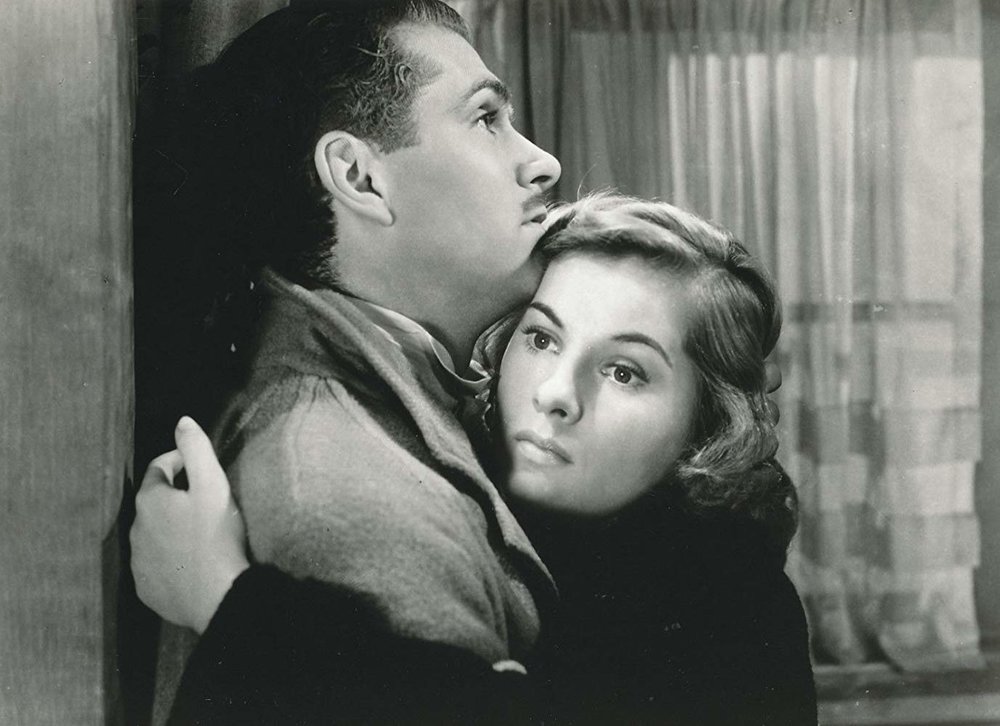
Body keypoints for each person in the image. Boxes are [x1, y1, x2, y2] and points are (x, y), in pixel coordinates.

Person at [133, 194, 815, 724]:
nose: (556, 395)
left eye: (624, 372)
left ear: (707, 424)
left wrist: (224, 599)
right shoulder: (452, 479)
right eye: (542, 339)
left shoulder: (736, 606)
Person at [131, 1, 562, 721]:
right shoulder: (341, 496)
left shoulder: (401, 402)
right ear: (360, 178)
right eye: (487, 118)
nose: (543, 162)